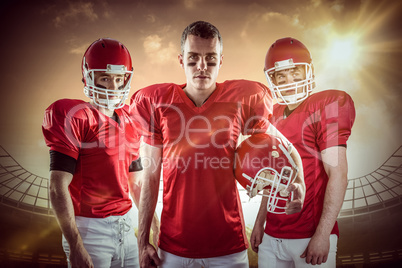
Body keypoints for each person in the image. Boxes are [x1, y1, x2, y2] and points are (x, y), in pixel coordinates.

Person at [130, 21, 305, 268]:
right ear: (181, 60)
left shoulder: (242, 99)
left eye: (210, 58)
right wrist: (143, 242)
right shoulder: (157, 102)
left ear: (221, 60)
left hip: (228, 247)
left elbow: (284, 144)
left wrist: (298, 180)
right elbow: (150, 176)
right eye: (193, 58)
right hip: (173, 247)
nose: (202, 66)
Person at [42, 38, 158, 268]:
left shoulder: (131, 120)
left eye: (118, 78)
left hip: (126, 226)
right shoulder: (76, 116)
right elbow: (57, 186)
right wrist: (75, 245)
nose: (114, 86)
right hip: (89, 231)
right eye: (105, 78)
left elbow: (136, 184)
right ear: (89, 76)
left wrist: (156, 226)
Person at [250, 37, 356, 267]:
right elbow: (272, 176)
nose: (289, 80)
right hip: (272, 235)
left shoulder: (327, 104)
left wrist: (322, 235)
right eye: (281, 75)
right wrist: (260, 222)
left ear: (308, 71)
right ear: (272, 78)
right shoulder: (272, 116)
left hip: (309, 235)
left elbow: (338, 174)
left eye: (295, 72)